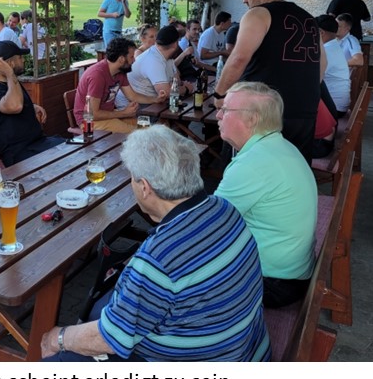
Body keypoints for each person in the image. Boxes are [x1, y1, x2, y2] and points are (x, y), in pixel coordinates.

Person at [40, 125, 271, 362]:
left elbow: (110, 338)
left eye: (131, 177)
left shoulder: (157, 260)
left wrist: (58, 338)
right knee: (105, 305)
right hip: (247, 349)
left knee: (57, 361)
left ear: (144, 187)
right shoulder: (224, 208)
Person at [214, 81, 317, 309]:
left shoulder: (253, 163)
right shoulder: (278, 147)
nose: (218, 115)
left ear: (252, 119)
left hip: (274, 282)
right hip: (292, 271)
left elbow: (210, 224)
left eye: (226, 109)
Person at [213, 0, 321, 162]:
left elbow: (238, 58)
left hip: (263, 111)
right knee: (294, 165)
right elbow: (322, 64)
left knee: (250, 166)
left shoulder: (258, 14)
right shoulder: (309, 18)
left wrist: (220, 95)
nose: (244, 0)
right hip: (304, 110)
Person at [0, 41, 65, 165]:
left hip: (38, 145)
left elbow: (16, 103)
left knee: (75, 149)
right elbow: (15, 106)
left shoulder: (11, 84)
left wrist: (30, 107)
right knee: (68, 159)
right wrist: (10, 73)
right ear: (9, 63)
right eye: (20, 57)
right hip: (20, 155)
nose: (23, 60)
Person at [73, 37, 166, 133]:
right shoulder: (97, 75)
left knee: (148, 128)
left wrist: (155, 99)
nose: (134, 60)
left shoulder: (120, 72)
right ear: (121, 59)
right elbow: (93, 114)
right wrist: (124, 113)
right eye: (131, 57)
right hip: (89, 121)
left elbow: (133, 96)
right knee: (139, 133)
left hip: (109, 115)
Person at [127, 24, 193, 102]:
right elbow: (166, 93)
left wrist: (181, 85)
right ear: (175, 44)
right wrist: (185, 89)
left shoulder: (167, 57)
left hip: (152, 101)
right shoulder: (153, 60)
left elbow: (177, 81)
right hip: (135, 105)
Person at [317, 14, 351, 114]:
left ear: (321, 33)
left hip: (334, 108)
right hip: (338, 105)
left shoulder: (326, 51)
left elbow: (312, 79)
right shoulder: (333, 46)